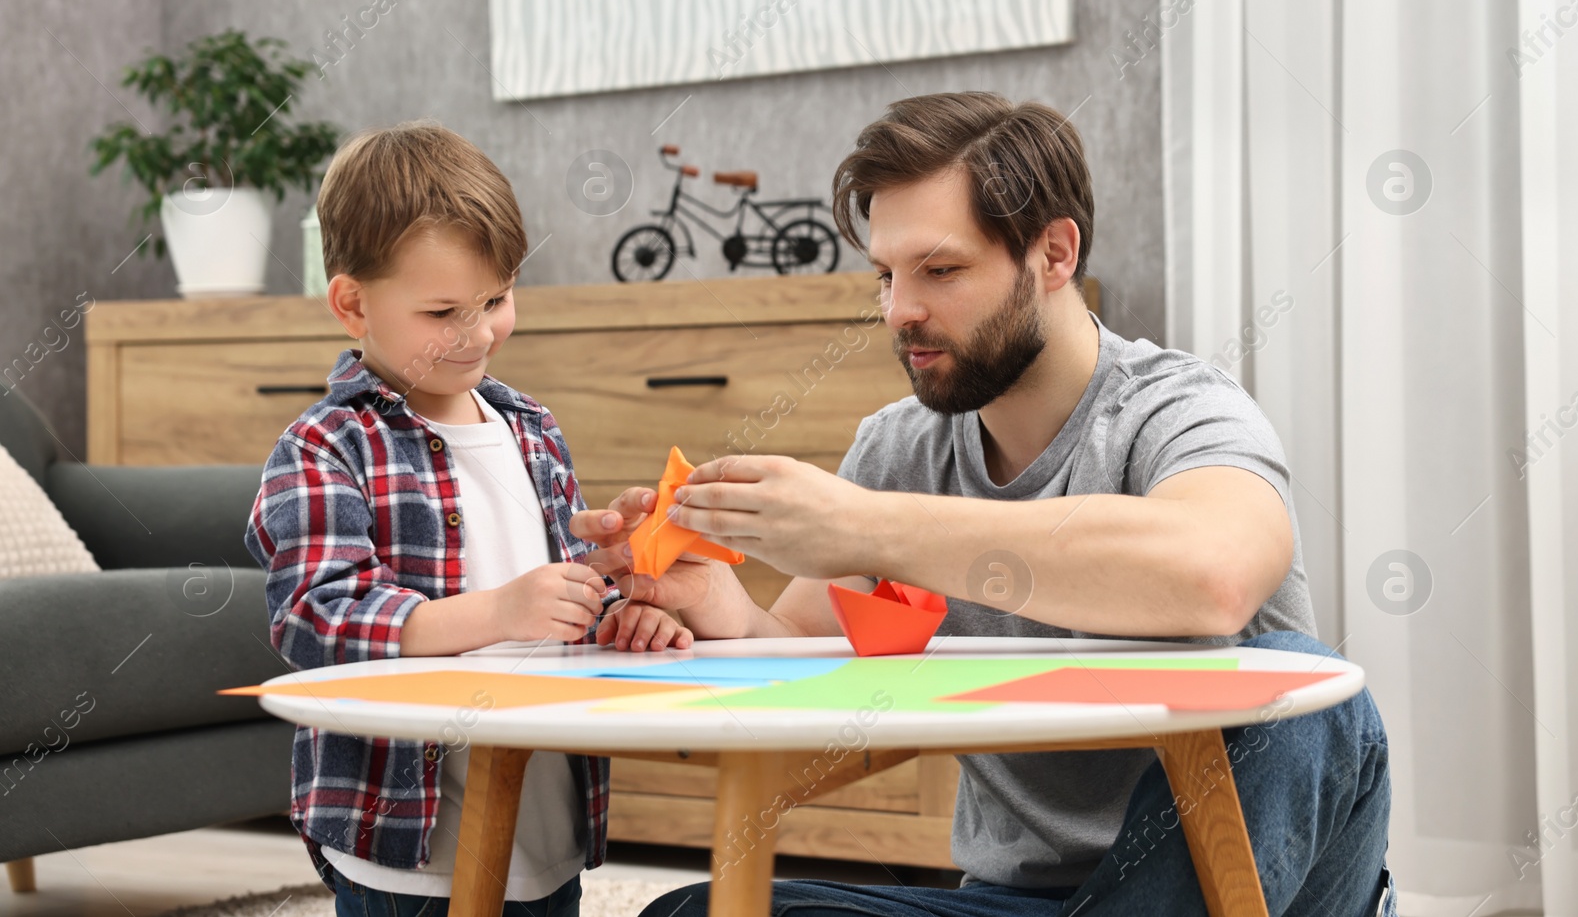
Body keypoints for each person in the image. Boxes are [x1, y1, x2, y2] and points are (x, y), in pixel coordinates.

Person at [573, 93, 1397, 916]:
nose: (899, 310)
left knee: (1315, 690)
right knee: (686, 914)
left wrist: (863, 523)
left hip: (1244, 887)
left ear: (1055, 252)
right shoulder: (900, 449)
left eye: (940, 270)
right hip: (1018, 901)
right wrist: (717, 604)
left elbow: (1210, 575)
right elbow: (800, 641)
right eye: (886, 276)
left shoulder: (1181, 410)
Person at [244, 120, 689, 917]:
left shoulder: (532, 425)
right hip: (409, 844)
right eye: (446, 310)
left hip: (546, 824)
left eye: (498, 298)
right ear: (353, 303)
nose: (482, 332)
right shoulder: (323, 446)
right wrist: (500, 610)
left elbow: (552, 602)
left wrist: (614, 594)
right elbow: (318, 615)